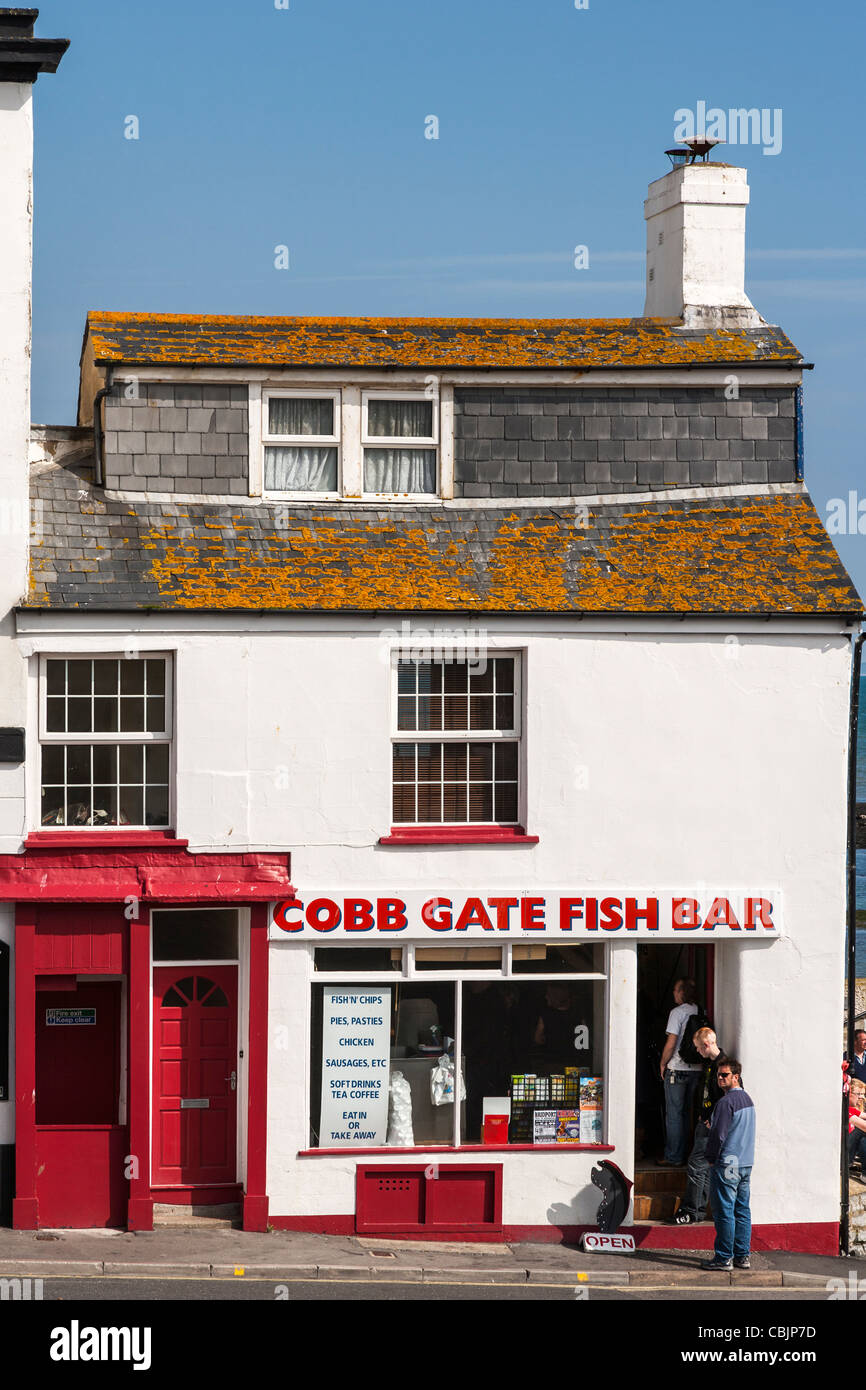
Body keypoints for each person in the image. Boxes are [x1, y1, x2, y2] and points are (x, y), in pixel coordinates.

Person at [700, 1058, 755, 1271]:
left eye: (725, 1075)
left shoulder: (726, 1103)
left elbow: (718, 1135)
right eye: (718, 1075)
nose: (720, 1079)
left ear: (736, 1076)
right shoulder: (748, 1100)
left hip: (728, 1162)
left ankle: (724, 1257)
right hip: (745, 1162)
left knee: (724, 1211)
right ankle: (742, 1256)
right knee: (742, 1210)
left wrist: (711, 1157)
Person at [671, 1027, 726, 1225]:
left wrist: (715, 1120)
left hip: (711, 1127)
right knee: (702, 1167)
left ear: (706, 1045)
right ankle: (697, 1210)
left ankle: (691, 1210)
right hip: (705, 1123)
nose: (697, 1051)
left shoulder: (723, 1067)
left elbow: (730, 1097)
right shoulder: (711, 1064)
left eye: (697, 1047)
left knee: (696, 1165)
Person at [658, 978, 701, 1166]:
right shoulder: (700, 1010)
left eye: (676, 990)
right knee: (689, 1114)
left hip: (677, 1069)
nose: (674, 993)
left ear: (682, 993)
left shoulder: (677, 1013)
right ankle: (690, 1154)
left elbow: (671, 1042)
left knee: (674, 1114)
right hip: (697, 1069)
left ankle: (674, 1156)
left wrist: (663, 1063)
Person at [848, 1078, 866, 1174]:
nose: (862, 1097)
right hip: (843, 1151)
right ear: (849, 1094)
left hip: (849, 1147)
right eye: (859, 1094)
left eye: (863, 1094)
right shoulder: (846, 1109)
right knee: (861, 1130)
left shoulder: (852, 1109)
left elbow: (864, 1115)